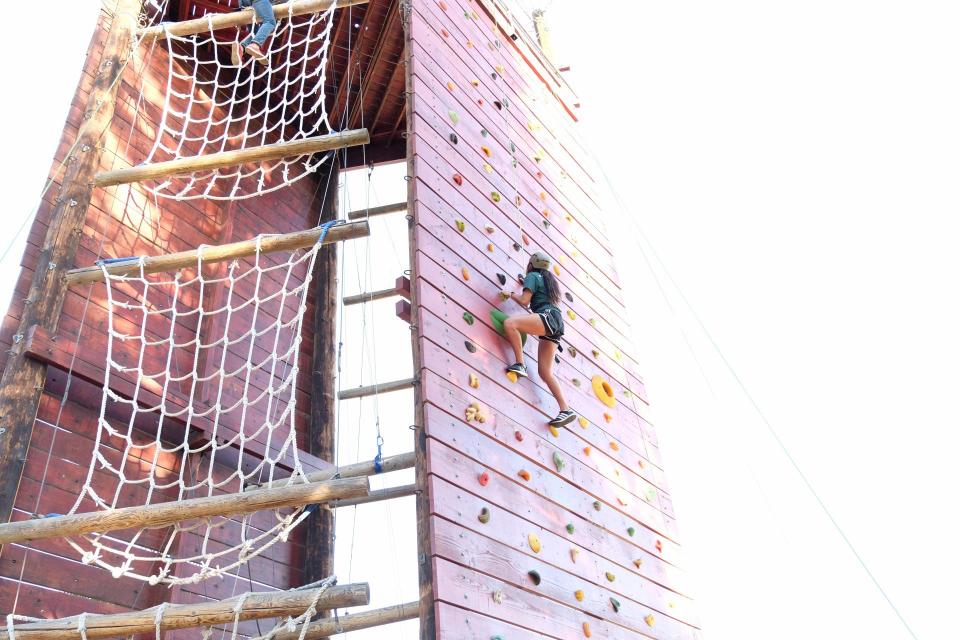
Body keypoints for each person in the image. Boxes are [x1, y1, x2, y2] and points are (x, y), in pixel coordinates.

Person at [502, 251, 578, 427]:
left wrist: (512, 294)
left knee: (510, 324)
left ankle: (520, 364)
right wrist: (525, 283)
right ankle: (565, 409)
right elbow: (535, 295)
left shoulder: (532, 276)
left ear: (531, 264)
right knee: (545, 372)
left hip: (547, 317)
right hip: (556, 323)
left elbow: (524, 301)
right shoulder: (545, 280)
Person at [232, 0, 276, 65]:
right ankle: (255, 45)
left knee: (255, 33)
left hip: (244, 3)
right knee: (270, 22)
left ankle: (241, 48)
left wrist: (240, 10)